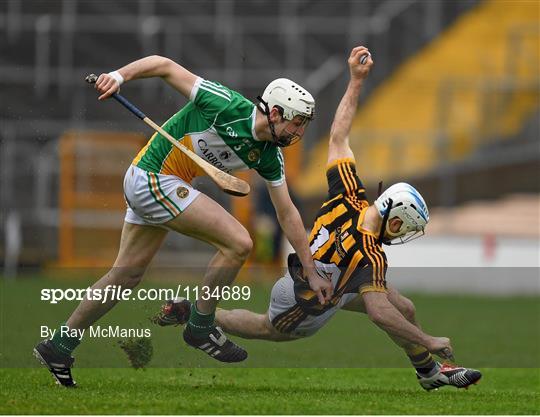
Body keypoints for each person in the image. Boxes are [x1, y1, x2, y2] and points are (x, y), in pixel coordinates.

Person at [154, 46, 482, 391]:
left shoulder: (349, 195)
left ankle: (429, 373)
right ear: (395, 222)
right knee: (267, 328)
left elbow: (339, 135)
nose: (401, 236)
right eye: (406, 230)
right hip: (306, 299)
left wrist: (356, 81)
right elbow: (378, 314)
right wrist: (430, 339)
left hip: (332, 281)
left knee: (405, 307)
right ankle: (194, 313)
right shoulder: (370, 254)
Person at [34, 55, 333, 387]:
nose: (300, 131)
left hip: (163, 184)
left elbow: (287, 212)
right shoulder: (223, 104)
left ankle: (59, 346)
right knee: (239, 243)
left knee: (126, 275)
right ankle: (201, 325)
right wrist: (119, 76)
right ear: (275, 113)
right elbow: (164, 65)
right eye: (297, 122)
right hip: (152, 177)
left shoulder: (268, 156)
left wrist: (310, 270)